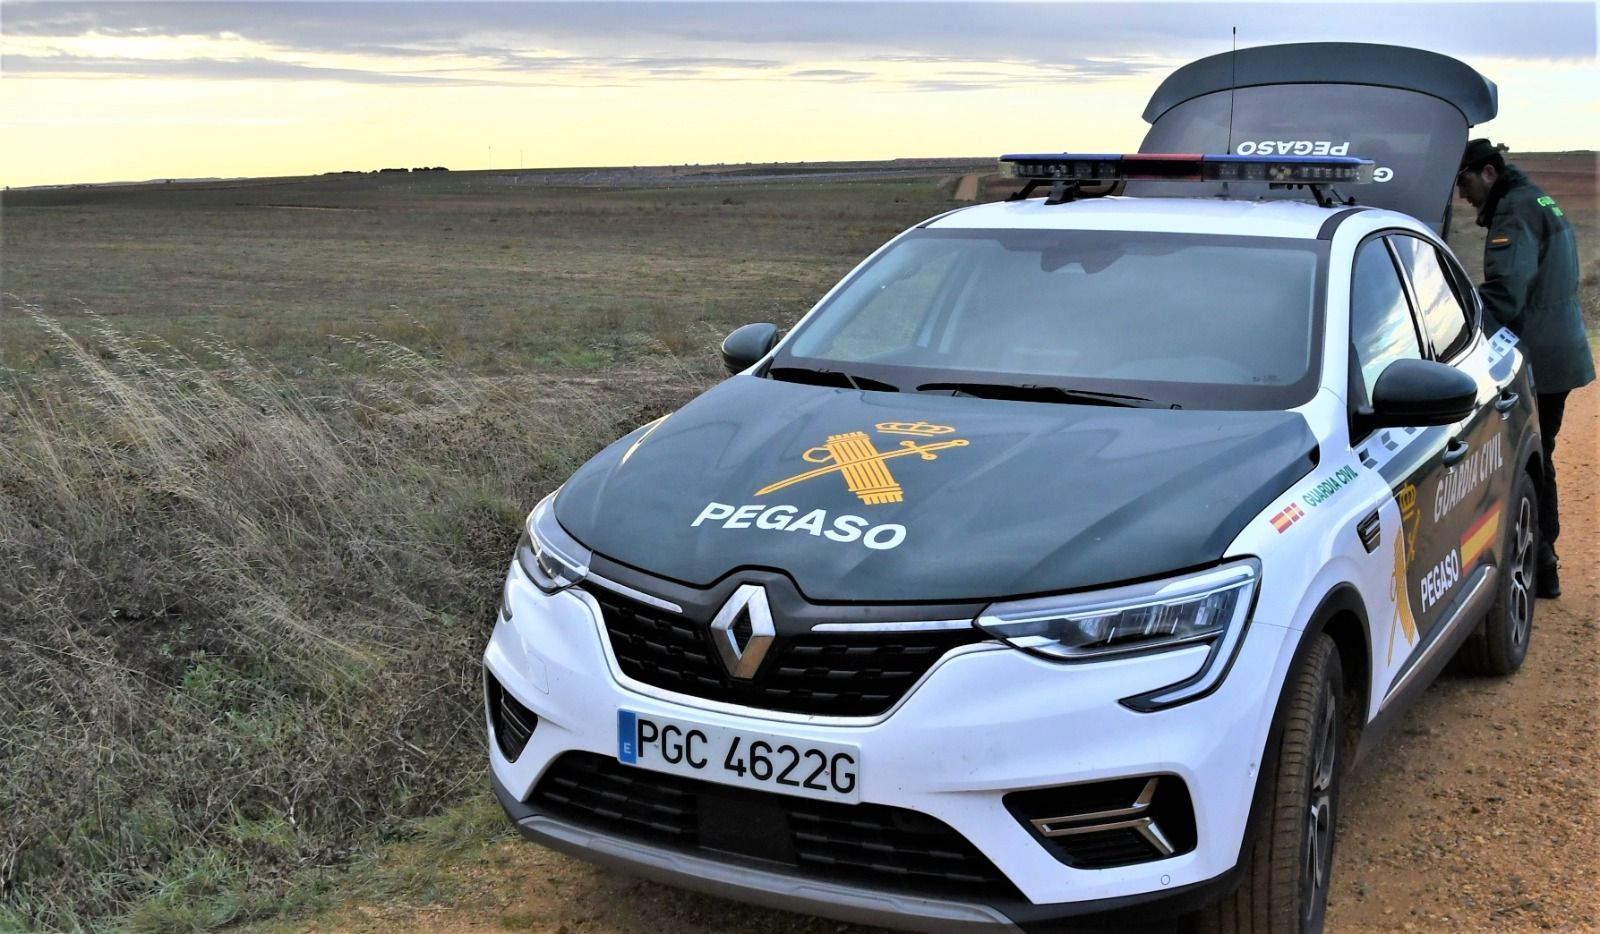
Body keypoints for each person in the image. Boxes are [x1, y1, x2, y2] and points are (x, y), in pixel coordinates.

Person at [1456, 138, 1594, 597]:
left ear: (1489, 173)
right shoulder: (1536, 197)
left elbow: (1506, 294)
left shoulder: (1513, 211)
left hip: (1538, 353)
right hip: (1561, 345)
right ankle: (1544, 562)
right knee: (1542, 452)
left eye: (1465, 180)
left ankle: (1541, 560)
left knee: (1530, 457)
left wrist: (1458, 321)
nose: (1462, 194)